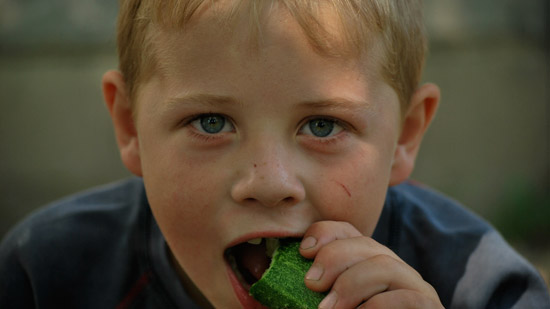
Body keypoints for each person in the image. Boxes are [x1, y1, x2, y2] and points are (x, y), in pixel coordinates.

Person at [1, 0, 548, 308]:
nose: (269, 182)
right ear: (130, 125)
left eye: (323, 124)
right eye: (210, 122)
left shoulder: (481, 286)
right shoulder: (46, 275)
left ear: (404, 136)